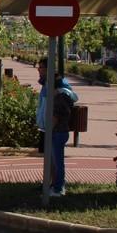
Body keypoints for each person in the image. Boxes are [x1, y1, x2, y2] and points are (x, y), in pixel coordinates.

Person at [36, 59, 76, 197]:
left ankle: (59, 188)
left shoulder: (61, 95)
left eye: (41, 67)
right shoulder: (49, 88)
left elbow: (57, 114)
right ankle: (52, 185)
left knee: (57, 161)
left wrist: (50, 127)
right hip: (50, 129)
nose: (38, 70)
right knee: (52, 160)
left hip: (56, 131)